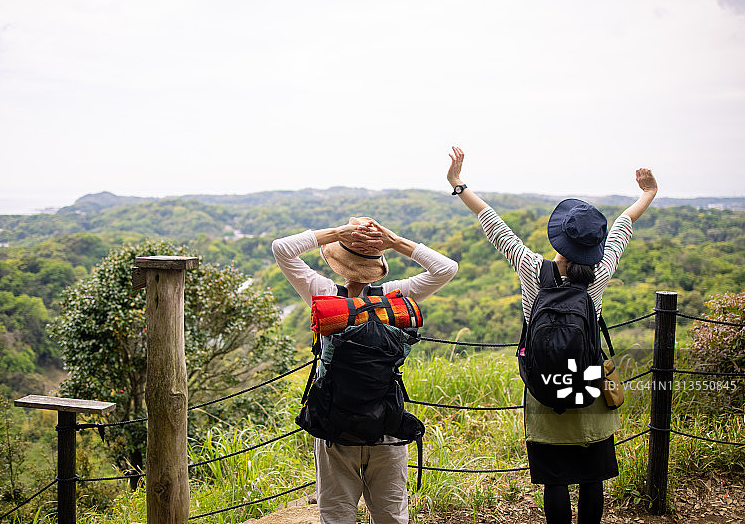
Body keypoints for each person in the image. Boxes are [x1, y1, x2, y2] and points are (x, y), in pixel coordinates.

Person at [445, 146, 658, 524]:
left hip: (543, 386)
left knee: (555, 481)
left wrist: (458, 183)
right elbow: (624, 225)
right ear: (593, 247)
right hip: (588, 383)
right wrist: (648, 192)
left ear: (558, 238)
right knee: (592, 479)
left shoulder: (531, 268)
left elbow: (493, 223)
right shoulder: (600, 273)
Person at [272, 216, 458, 524]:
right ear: (378, 264)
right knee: (391, 516)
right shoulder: (394, 297)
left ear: (337, 261)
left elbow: (282, 249)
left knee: (337, 515)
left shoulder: (324, 294)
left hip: (336, 426)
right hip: (387, 423)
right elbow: (446, 269)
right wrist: (395, 241)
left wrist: (336, 233)